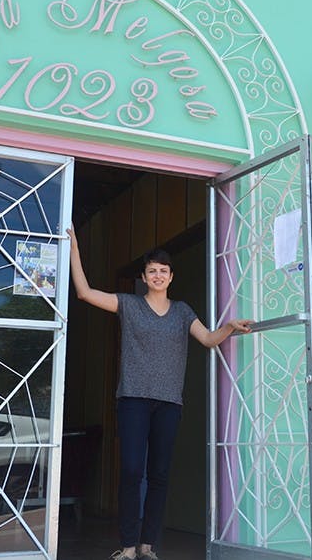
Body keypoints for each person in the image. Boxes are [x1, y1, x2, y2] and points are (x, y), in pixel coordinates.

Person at [68, 228, 252, 560]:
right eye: (152, 270)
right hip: (134, 400)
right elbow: (84, 292)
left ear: (171, 277)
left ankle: (147, 545)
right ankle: (126, 545)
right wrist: (74, 249)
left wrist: (229, 327)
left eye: (163, 271)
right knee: (131, 470)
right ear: (143, 276)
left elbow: (209, 340)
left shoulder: (183, 311)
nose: (158, 275)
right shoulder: (129, 305)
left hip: (169, 403)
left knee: (159, 475)